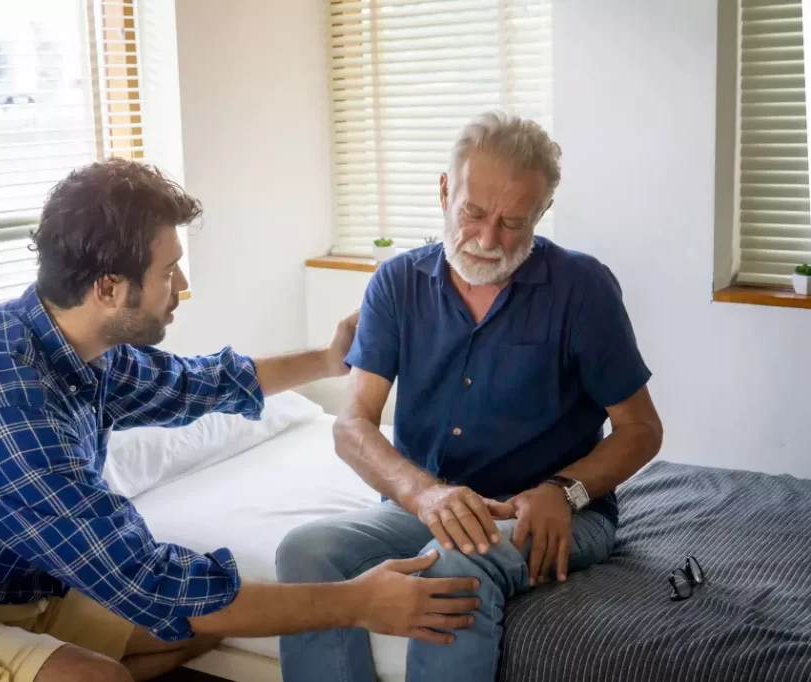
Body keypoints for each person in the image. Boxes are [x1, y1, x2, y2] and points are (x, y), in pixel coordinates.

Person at [0, 159, 482, 682]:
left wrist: (330, 359)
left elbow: (197, 385)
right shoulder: (5, 405)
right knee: (104, 673)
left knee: (199, 626)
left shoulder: (69, 344)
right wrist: (356, 603)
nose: (182, 288)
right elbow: (150, 583)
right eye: (171, 271)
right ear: (109, 287)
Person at [276, 111, 664, 682]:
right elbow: (352, 423)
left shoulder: (583, 288)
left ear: (542, 213)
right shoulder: (396, 283)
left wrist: (564, 490)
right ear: (443, 190)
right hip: (427, 506)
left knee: (458, 566)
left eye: (513, 222)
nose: (487, 240)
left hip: (552, 514)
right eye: (473, 213)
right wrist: (423, 495)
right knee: (304, 553)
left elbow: (641, 430)